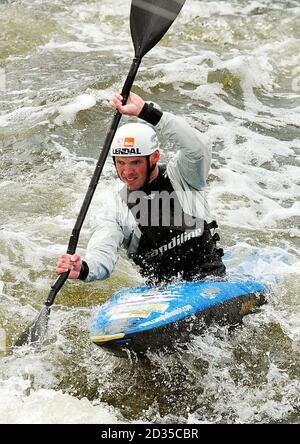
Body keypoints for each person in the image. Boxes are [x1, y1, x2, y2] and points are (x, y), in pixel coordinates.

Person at [56, 92, 225, 285]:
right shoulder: (117, 207)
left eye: (135, 162)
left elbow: (197, 148)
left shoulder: (182, 177)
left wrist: (148, 112)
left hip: (211, 281)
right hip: (161, 292)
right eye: (120, 163)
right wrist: (84, 268)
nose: (127, 172)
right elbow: (103, 253)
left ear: (154, 157)